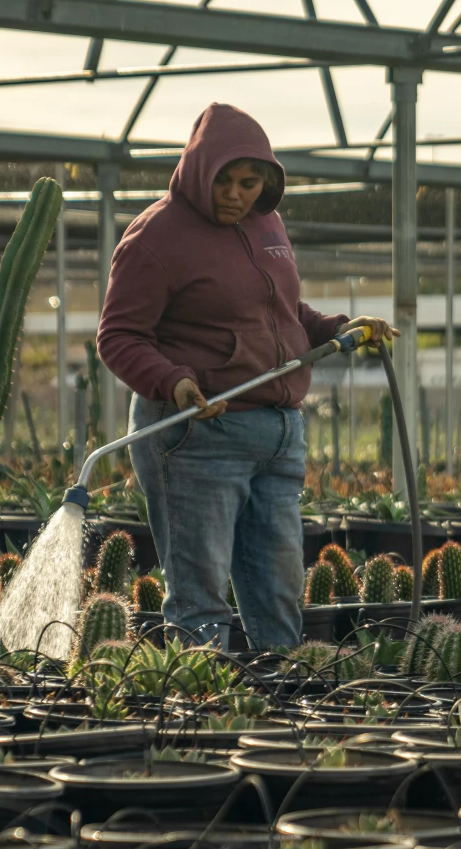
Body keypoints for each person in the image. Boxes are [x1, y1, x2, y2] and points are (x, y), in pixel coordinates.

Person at [98, 103, 391, 649]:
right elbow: (117, 337)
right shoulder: (156, 237)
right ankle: (200, 713)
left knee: (278, 585)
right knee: (200, 592)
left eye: (249, 182)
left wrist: (341, 328)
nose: (236, 194)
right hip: (199, 432)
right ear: (197, 170)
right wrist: (174, 381)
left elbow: (283, 312)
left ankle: (277, 706)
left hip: (278, 434)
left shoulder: (266, 224)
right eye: (224, 181)